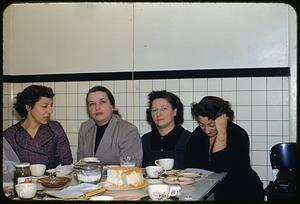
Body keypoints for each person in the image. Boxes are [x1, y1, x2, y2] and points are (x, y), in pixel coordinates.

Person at [185, 96, 264, 201]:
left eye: (212, 125)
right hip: (210, 190)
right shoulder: (198, 134)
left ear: (223, 119)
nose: (207, 130)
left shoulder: (237, 134)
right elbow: (189, 162)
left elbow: (220, 166)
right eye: (202, 125)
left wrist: (221, 132)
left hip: (242, 191)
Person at [3, 85, 73, 170]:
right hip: (23, 182)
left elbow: (67, 164)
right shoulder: (10, 135)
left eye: (51, 106)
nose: (50, 111)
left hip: (53, 181)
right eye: (44, 106)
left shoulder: (55, 128)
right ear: (28, 107)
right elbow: (8, 171)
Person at [77, 86, 143, 166]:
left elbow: (131, 169)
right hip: (88, 178)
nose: (97, 107)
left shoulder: (128, 130)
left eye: (102, 102)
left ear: (112, 106)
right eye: (92, 104)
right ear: (88, 109)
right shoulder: (85, 128)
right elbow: (80, 164)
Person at [142, 90, 191, 169]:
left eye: (164, 109)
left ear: (175, 111)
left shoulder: (189, 139)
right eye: (154, 110)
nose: (158, 114)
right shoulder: (145, 140)